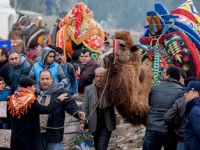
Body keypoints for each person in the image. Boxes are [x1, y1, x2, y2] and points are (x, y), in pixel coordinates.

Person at [8, 77, 66, 150]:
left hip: (16, 137)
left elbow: (8, 117)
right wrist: (58, 100)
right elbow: (46, 110)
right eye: (34, 86)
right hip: (30, 138)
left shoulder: (11, 99)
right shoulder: (30, 100)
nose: (35, 88)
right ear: (28, 87)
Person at [35, 70, 85, 150]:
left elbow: (70, 104)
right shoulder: (35, 92)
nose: (45, 81)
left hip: (54, 130)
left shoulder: (60, 91)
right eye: (42, 79)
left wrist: (77, 112)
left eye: (47, 79)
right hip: (37, 132)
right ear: (39, 80)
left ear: (52, 79)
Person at [143, 66, 184, 150]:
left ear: (168, 75)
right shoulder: (181, 91)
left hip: (152, 127)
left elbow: (149, 105)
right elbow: (180, 113)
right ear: (179, 77)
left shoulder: (155, 88)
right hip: (169, 131)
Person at [80, 67, 116, 150]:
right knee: (97, 146)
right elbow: (85, 107)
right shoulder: (88, 89)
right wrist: (82, 122)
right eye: (97, 76)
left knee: (101, 147)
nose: (98, 79)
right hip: (94, 124)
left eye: (101, 76)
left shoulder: (110, 88)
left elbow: (116, 101)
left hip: (107, 124)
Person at [183, 81, 200, 150]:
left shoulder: (195, 111)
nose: (184, 94)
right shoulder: (194, 107)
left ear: (195, 92)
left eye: (187, 91)